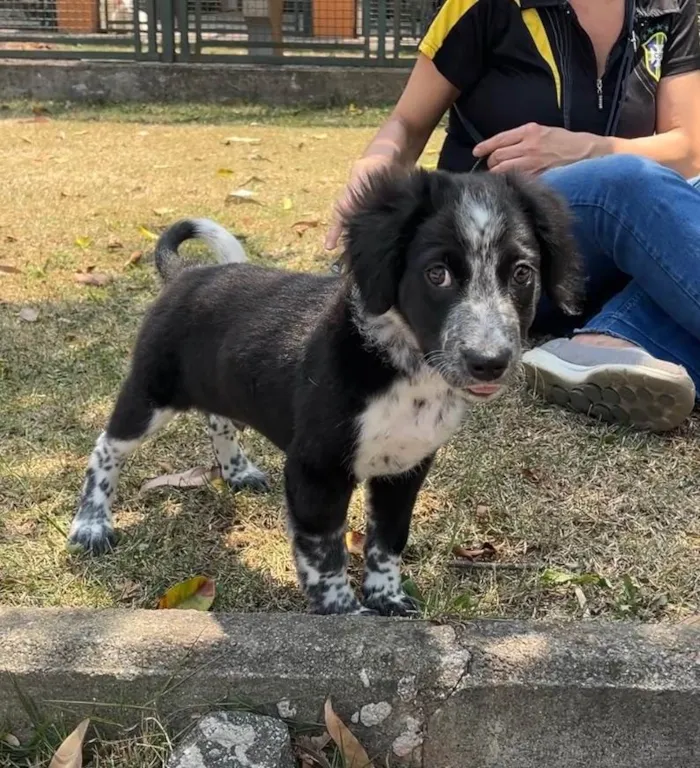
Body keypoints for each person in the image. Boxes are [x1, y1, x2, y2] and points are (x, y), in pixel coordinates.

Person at [325, 0, 700, 432]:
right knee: (625, 181)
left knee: (637, 181)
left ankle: (616, 340)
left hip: (619, 250)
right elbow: (407, 123)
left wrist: (584, 147)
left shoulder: (671, 7)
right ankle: (630, 334)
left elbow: (689, 148)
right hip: (497, 255)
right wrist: (376, 160)